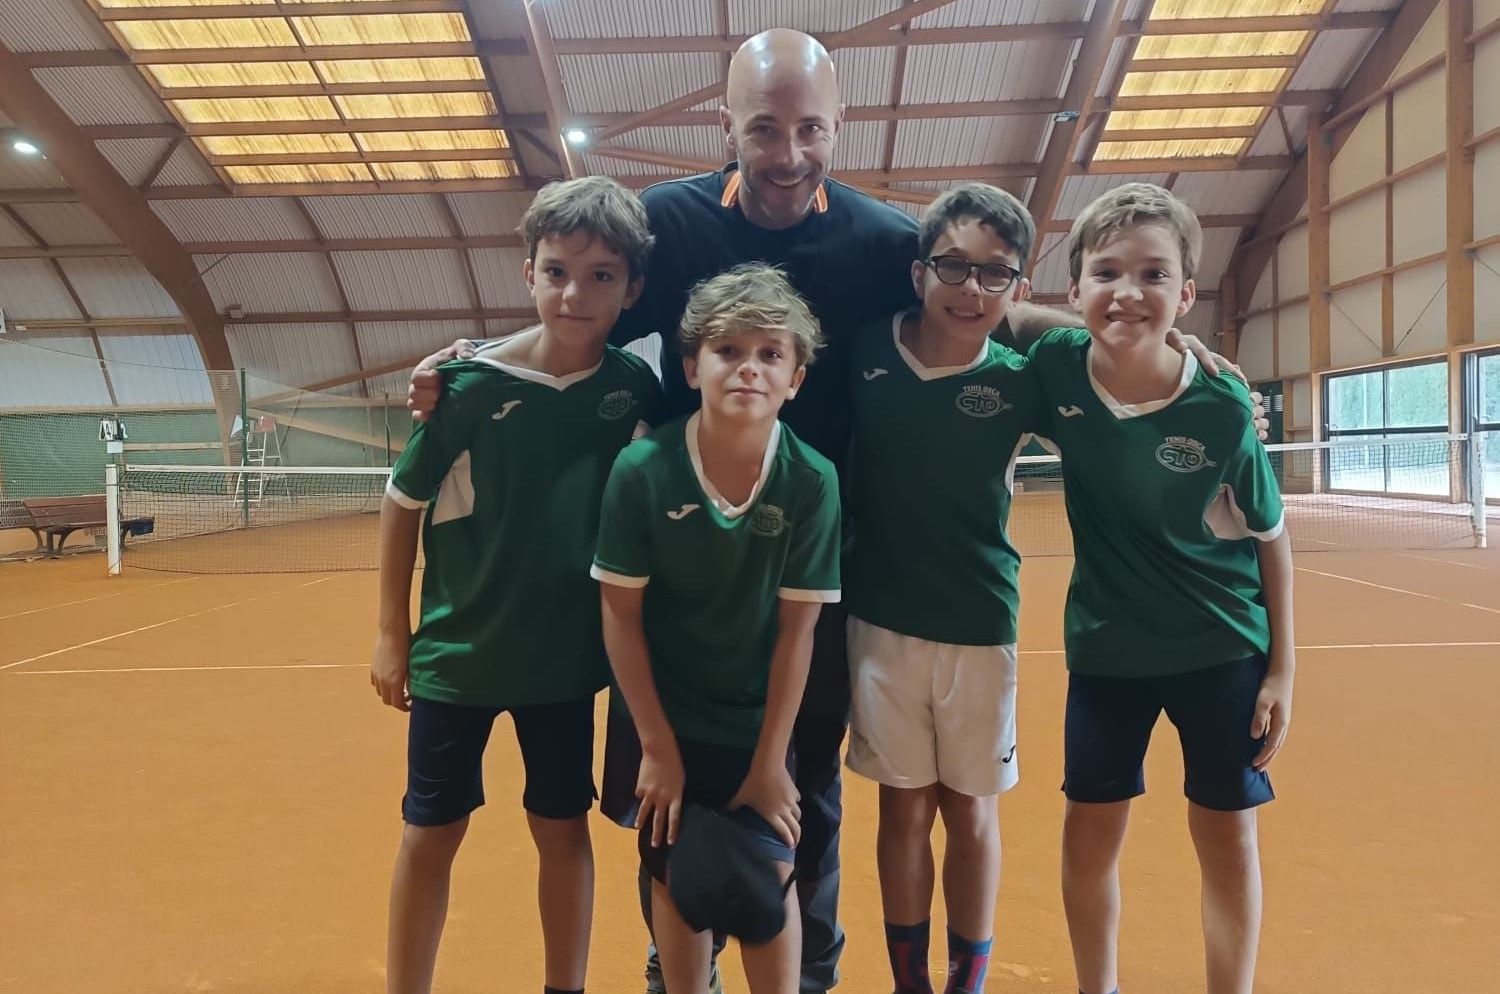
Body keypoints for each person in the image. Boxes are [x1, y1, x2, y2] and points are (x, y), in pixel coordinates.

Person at [404, 30, 1254, 993]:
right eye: (763, 129)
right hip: (678, 559)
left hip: (813, 554)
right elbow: (578, 307)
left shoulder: (884, 240)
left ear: (837, 126)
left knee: (800, 790)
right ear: (727, 126)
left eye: (810, 129)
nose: (787, 154)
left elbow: (990, 308)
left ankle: (808, 973)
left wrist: (1147, 337)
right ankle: (677, 961)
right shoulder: (668, 226)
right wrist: (480, 355)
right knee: (669, 780)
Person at [370, 175, 660, 994]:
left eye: (603, 275)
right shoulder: (464, 388)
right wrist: (394, 633)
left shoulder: (633, 393)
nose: (576, 292)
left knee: (562, 830)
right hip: (458, 658)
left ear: (632, 288)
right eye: (558, 270)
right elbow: (401, 505)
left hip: (566, 665)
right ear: (527, 273)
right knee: (431, 832)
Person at [1025, 183, 1295, 994]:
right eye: (1105, 272)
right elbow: (998, 318)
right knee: (1088, 833)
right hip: (1107, 653)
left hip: (1221, 651)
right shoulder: (1055, 369)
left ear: (1185, 293)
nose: (1128, 292)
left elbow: (1272, 540)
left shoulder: (1220, 408)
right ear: (1074, 291)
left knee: (1226, 839)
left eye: (1153, 275)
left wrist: (1283, 670)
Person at [592, 264, 843, 994]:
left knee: (768, 881)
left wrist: (771, 763)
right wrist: (658, 747)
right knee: (676, 873)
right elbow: (620, 615)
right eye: (728, 350)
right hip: (660, 713)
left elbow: (800, 634)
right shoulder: (642, 470)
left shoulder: (811, 480)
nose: (748, 368)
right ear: (691, 364)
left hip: (755, 721)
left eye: (771, 354)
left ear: (795, 379)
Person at [843, 183, 1046, 994]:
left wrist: (1211, 379)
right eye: (955, 267)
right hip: (879, 622)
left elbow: (1122, 393)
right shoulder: (859, 351)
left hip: (979, 621)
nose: (971, 289)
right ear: (920, 270)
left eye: (995, 274)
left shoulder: (1026, 380)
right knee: (902, 811)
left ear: (1019, 288)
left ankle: (968, 982)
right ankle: (910, 983)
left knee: (971, 811)